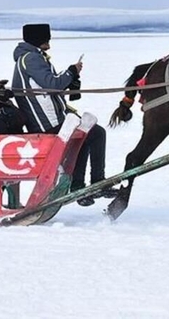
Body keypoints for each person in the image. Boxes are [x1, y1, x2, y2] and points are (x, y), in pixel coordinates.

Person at [12, 23, 115, 206]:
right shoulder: (31, 59)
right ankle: (95, 184)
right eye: (47, 40)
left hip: (50, 118)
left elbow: (47, 85)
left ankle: (80, 187)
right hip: (46, 123)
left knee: (85, 136)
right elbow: (53, 84)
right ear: (38, 40)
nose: (49, 45)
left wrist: (71, 79)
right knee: (96, 133)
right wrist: (71, 72)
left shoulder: (30, 58)